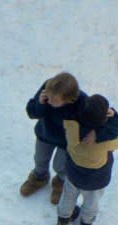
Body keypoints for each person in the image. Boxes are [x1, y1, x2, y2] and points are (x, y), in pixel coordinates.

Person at [56, 94, 118, 225]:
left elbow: (71, 113)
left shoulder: (71, 128)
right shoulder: (105, 142)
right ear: (104, 120)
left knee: (68, 196)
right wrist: (114, 117)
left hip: (73, 174)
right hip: (96, 180)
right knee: (91, 202)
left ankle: (63, 219)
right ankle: (86, 224)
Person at [21, 72, 86, 205]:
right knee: (40, 159)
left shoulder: (82, 102)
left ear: (69, 99)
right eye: (48, 97)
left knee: (60, 165)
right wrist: (40, 103)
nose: (49, 102)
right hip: (45, 134)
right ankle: (39, 178)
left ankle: (60, 184)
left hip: (66, 142)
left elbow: (91, 123)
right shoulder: (48, 88)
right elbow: (32, 112)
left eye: (54, 100)